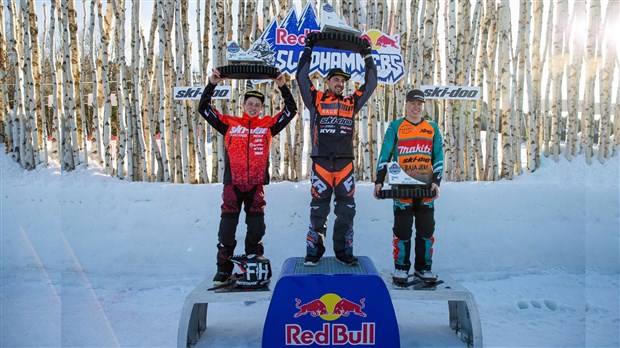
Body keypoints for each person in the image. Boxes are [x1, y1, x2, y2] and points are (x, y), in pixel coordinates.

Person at [198, 69, 297, 286]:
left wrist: (281, 85)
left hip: (256, 186)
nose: (253, 107)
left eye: (258, 105)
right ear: (243, 105)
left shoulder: (267, 125)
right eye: (250, 103)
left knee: (256, 231)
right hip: (233, 185)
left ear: (262, 109)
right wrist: (212, 83)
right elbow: (204, 109)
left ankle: (253, 269)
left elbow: (291, 110)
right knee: (227, 231)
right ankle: (223, 271)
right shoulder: (230, 124)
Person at [296, 32, 377, 266]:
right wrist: (309, 48)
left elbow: (371, 83)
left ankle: (344, 253)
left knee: (347, 211)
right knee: (318, 211)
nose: (340, 83)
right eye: (335, 80)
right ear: (327, 82)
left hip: (345, 165)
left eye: (343, 81)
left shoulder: (352, 102)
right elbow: (301, 77)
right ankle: (313, 252)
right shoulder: (316, 100)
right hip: (321, 163)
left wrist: (366, 54)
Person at [373, 89, 444, 283]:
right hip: (401, 188)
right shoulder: (396, 127)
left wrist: (437, 182)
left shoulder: (432, 128)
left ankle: (423, 268)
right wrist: (379, 180)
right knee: (402, 230)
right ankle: (401, 268)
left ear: (423, 106)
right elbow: (385, 153)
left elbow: (438, 156)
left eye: (419, 104)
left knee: (426, 230)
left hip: (425, 188)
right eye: (412, 103)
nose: (416, 107)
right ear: (406, 104)